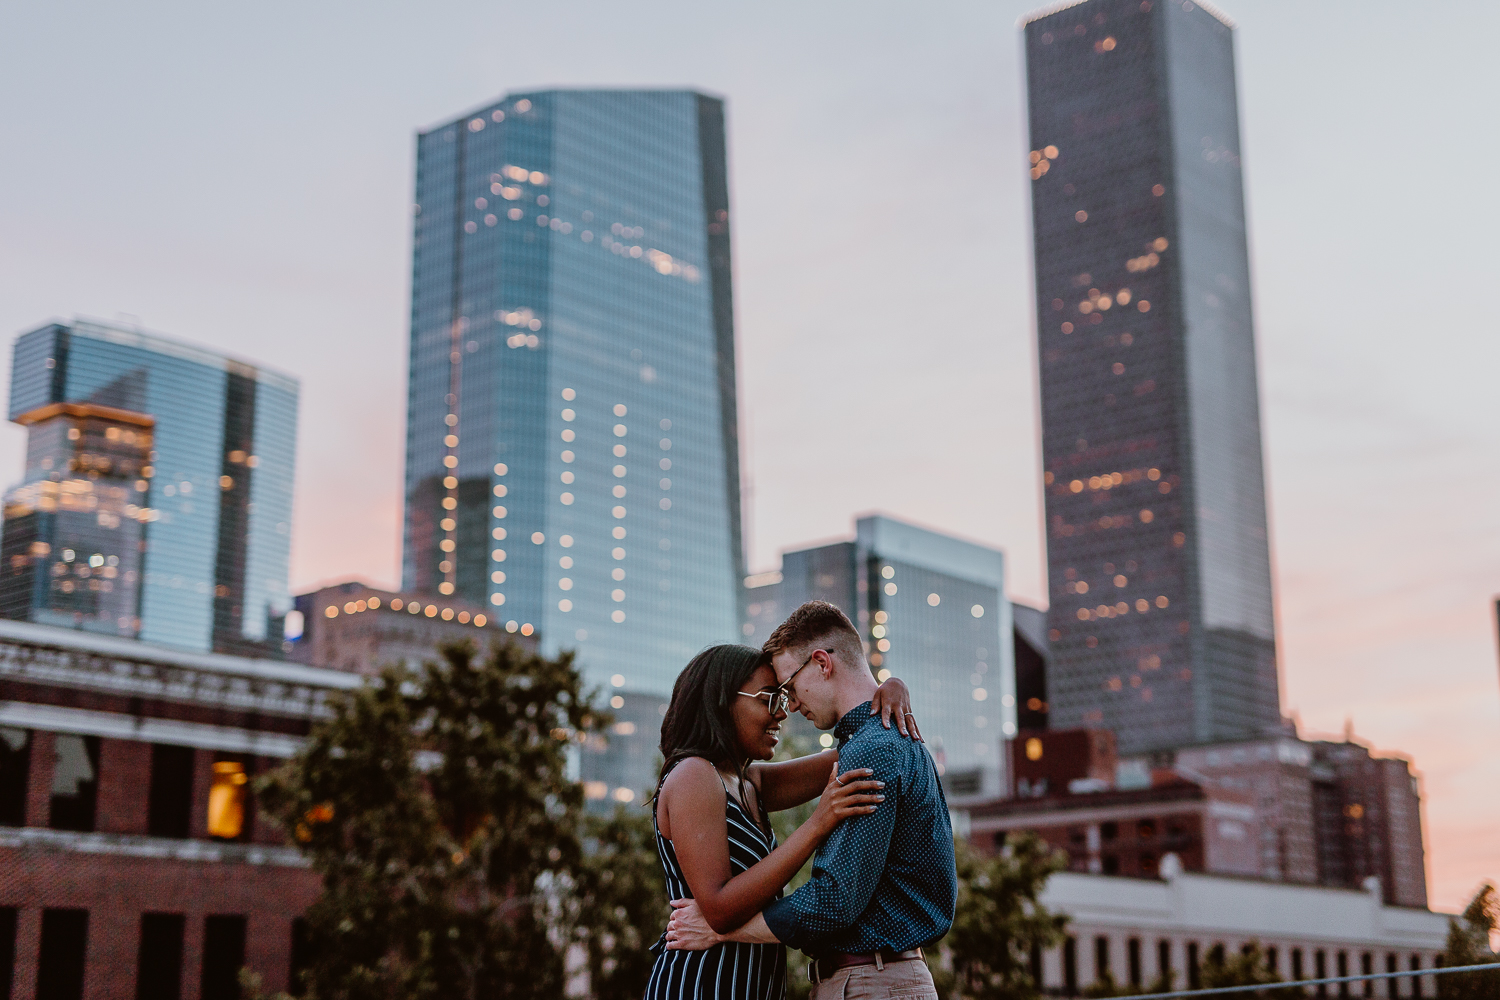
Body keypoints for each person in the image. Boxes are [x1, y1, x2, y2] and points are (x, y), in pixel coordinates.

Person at [665, 602, 957, 1000]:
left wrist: (889, 687)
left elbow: (833, 901)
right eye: (772, 697)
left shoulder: (868, 750)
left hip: (851, 980)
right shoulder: (703, 776)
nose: (786, 710)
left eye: (785, 691)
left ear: (821, 663)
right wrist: (818, 822)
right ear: (723, 701)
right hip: (711, 982)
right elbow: (719, 906)